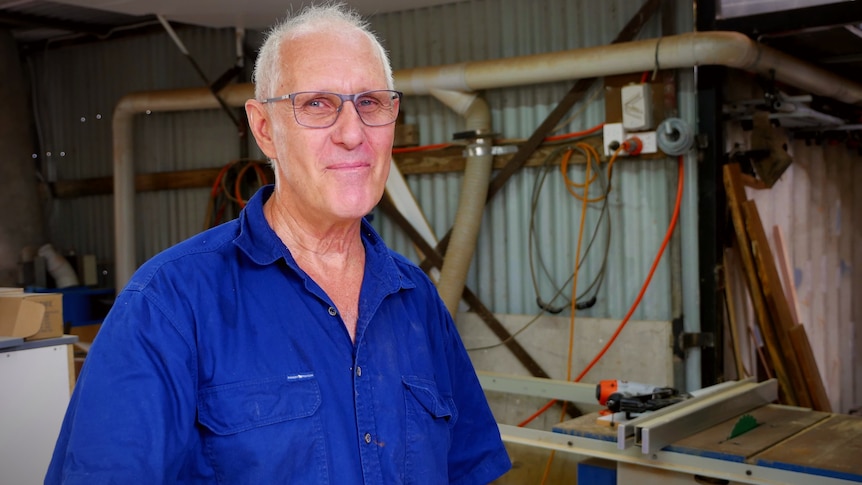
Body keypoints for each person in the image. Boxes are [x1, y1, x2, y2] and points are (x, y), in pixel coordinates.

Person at [46, 3, 512, 484]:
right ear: (264, 128)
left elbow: (468, 470)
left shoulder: (416, 301)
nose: (353, 133)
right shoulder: (169, 305)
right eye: (316, 104)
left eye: (370, 102)